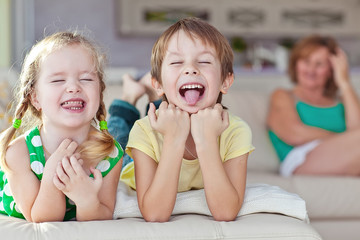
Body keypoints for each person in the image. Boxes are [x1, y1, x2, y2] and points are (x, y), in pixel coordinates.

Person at [115, 17, 254, 222]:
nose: (190, 69)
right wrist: (174, 139)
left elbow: (225, 212)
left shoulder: (236, 130)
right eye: (177, 62)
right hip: (130, 162)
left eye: (204, 61)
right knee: (116, 135)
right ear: (158, 83)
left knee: (160, 111)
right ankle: (131, 94)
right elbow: (155, 214)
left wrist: (206, 140)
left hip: (165, 116)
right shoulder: (143, 131)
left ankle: (155, 101)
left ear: (226, 81)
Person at [0, 32, 124, 222]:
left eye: (86, 79)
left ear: (99, 91)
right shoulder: (18, 153)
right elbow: (42, 218)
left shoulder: (110, 153)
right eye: (58, 80)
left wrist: (87, 200)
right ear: (35, 98)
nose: (74, 87)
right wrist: (51, 175)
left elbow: (104, 213)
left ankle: (128, 102)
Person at [267, 35, 360, 177]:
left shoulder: (342, 101)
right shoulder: (283, 95)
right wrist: (342, 138)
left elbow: (356, 132)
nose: (311, 70)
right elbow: (294, 134)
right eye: (306, 61)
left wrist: (344, 82)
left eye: (319, 64)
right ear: (296, 64)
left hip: (343, 157)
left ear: (331, 70)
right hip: (302, 158)